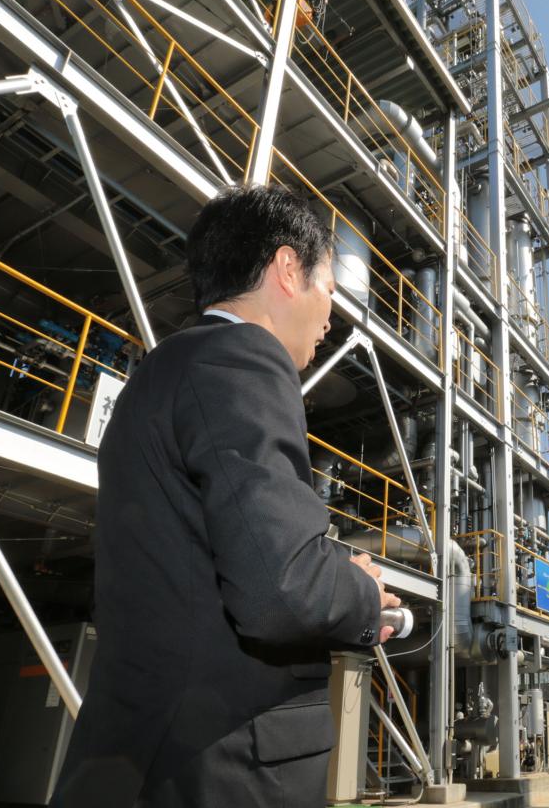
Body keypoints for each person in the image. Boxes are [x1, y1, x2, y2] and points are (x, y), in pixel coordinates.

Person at [50, 184, 399, 808]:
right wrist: (363, 593)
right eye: (330, 291)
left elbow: (209, 560)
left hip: (138, 755)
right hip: (227, 766)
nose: (329, 317)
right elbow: (279, 591)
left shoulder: (159, 375)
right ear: (288, 269)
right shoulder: (243, 359)